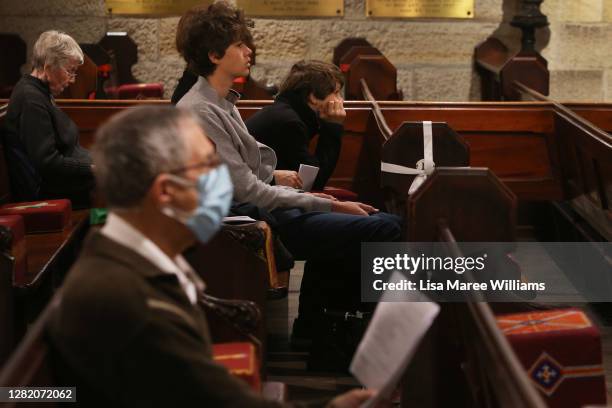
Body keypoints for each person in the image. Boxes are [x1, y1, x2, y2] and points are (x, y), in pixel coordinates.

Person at [48, 105, 379, 407]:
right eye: (208, 167)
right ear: (165, 191)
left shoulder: (127, 258)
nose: (221, 182)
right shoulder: (128, 301)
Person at [176, 2, 402, 344]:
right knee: (384, 227)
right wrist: (326, 204)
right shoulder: (200, 109)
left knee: (376, 224)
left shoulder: (221, 101)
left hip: (264, 210)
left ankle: (321, 329)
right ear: (214, 55)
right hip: (246, 221)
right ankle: (346, 334)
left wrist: (308, 195)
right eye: (239, 45)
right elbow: (247, 192)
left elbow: (251, 175)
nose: (249, 50)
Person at [3, 30, 94, 207]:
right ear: (48, 66)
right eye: (70, 71)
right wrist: (91, 168)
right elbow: (47, 163)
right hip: (48, 192)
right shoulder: (31, 99)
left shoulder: (40, 92)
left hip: (63, 183)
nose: (72, 80)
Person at [247, 60, 345, 190]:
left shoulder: (286, 112)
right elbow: (312, 182)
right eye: (336, 92)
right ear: (313, 97)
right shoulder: (289, 123)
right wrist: (333, 126)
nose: (341, 100)